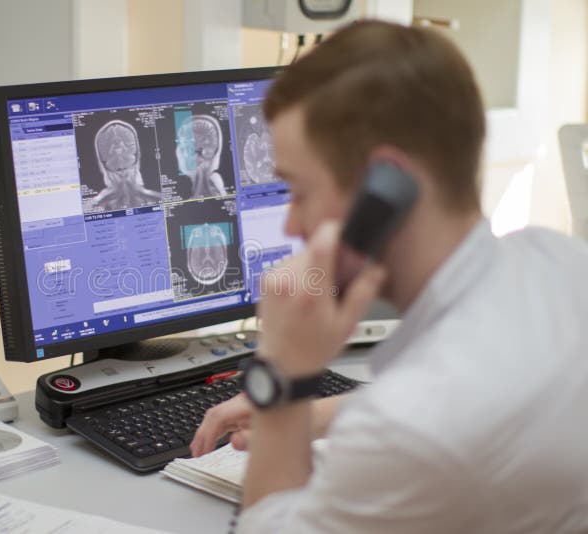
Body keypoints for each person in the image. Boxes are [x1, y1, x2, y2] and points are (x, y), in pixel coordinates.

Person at [190, 20, 588, 533]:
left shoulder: (412, 428)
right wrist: (317, 418)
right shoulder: (557, 260)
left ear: (385, 187)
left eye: (299, 192)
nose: (292, 224)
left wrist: (283, 381)